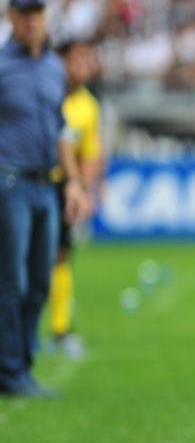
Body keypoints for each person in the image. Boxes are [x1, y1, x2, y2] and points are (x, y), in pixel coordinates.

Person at [0, 0, 89, 397]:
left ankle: (21, 362)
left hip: (46, 185)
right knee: (11, 279)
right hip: (11, 181)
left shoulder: (54, 68)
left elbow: (60, 130)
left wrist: (72, 180)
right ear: (12, 17)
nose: (33, 19)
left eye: (38, 11)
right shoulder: (2, 66)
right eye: (25, 12)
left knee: (38, 280)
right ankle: (12, 370)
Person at [47, 39, 104, 360]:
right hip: (30, 181)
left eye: (87, 59)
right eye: (78, 59)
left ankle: (60, 327)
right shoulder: (46, 95)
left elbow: (90, 154)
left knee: (61, 255)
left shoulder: (88, 106)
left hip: (61, 187)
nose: (84, 65)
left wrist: (84, 189)